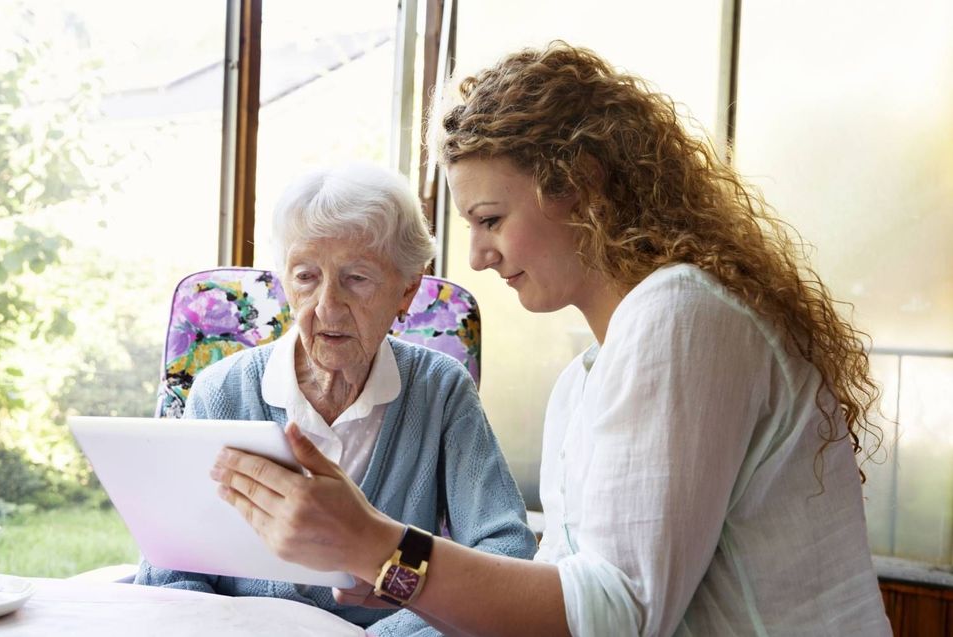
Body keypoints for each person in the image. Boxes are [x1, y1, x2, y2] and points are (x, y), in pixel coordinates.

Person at [208, 43, 892, 636]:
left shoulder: (681, 316)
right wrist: (383, 566)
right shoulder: (586, 381)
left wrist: (377, 544)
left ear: (580, 187)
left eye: (491, 218)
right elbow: (555, 594)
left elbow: (617, 616)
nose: (475, 256)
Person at [135, 163, 538, 637]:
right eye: (306, 277)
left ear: (406, 289)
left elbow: (505, 549)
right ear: (285, 283)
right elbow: (170, 572)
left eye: (357, 279)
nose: (327, 306)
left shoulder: (440, 390)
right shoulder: (221, 391)